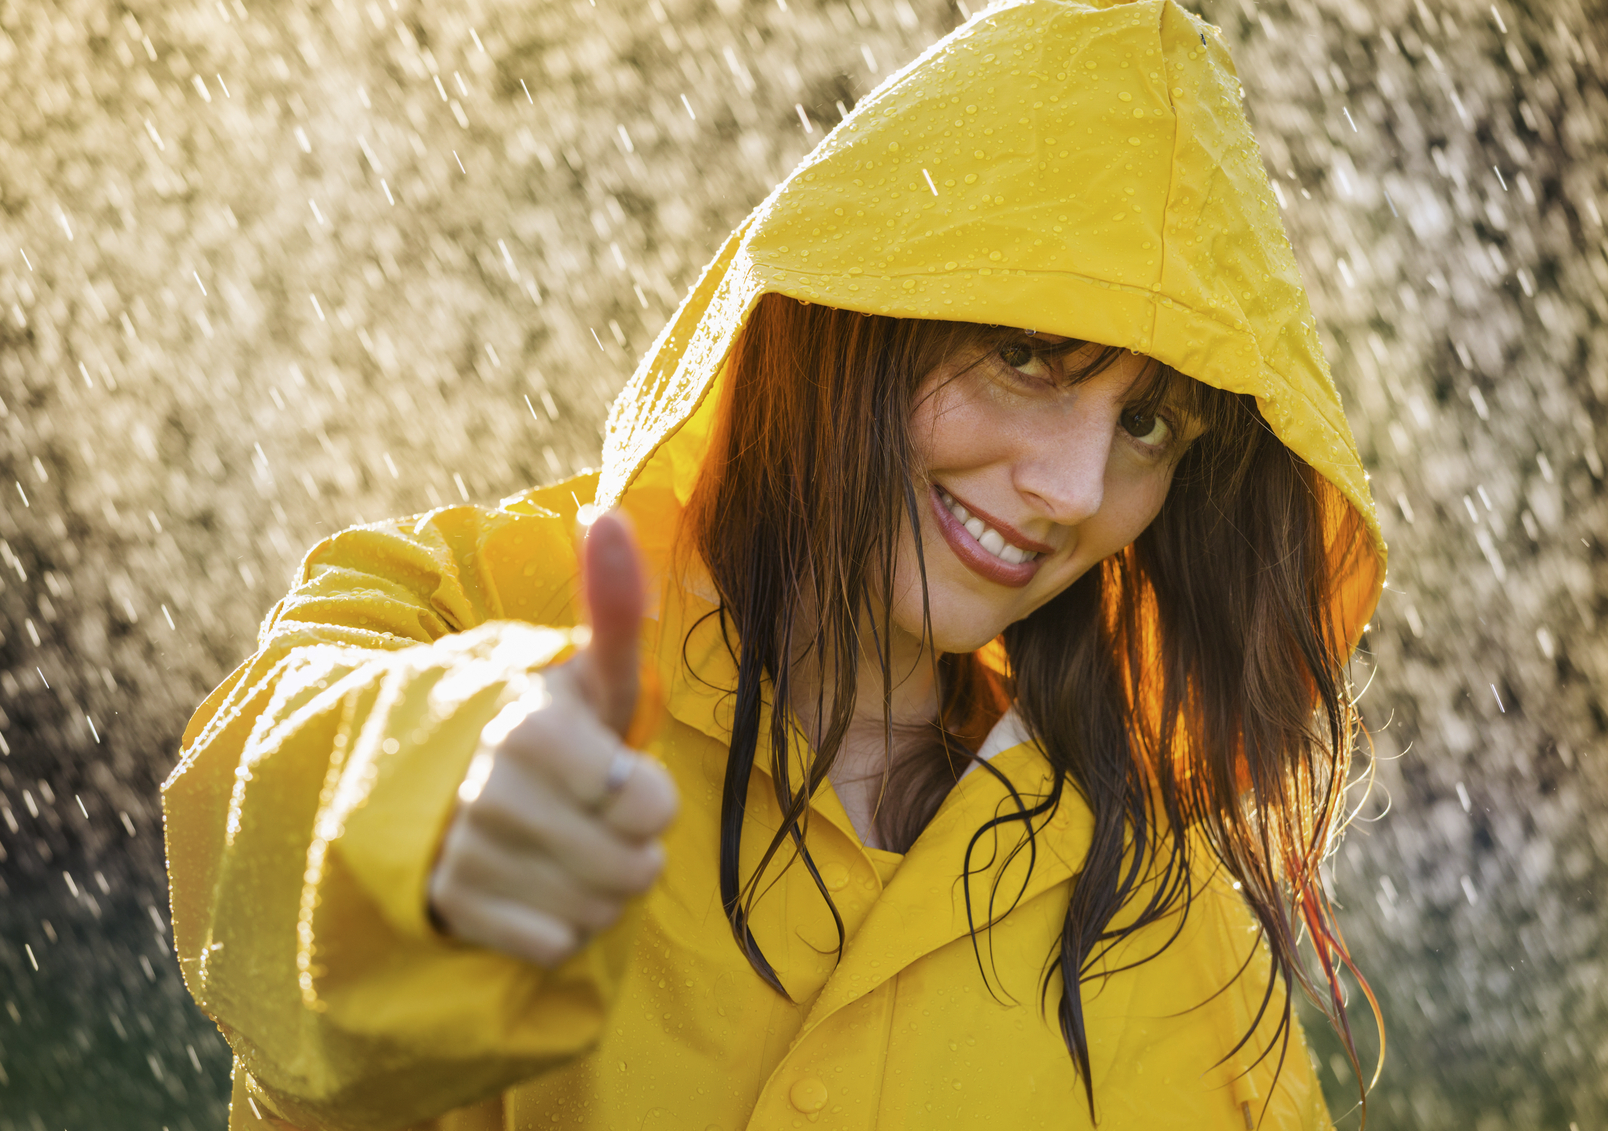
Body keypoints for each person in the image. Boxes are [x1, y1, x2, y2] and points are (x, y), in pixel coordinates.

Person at [163, 0, 1388, 1127]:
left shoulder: (1165, 922)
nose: (1071, 490)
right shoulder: (470, 611)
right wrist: (454, 786)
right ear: (853, 311)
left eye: (1147, 426)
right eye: (1023, 351)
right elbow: (257, 816)